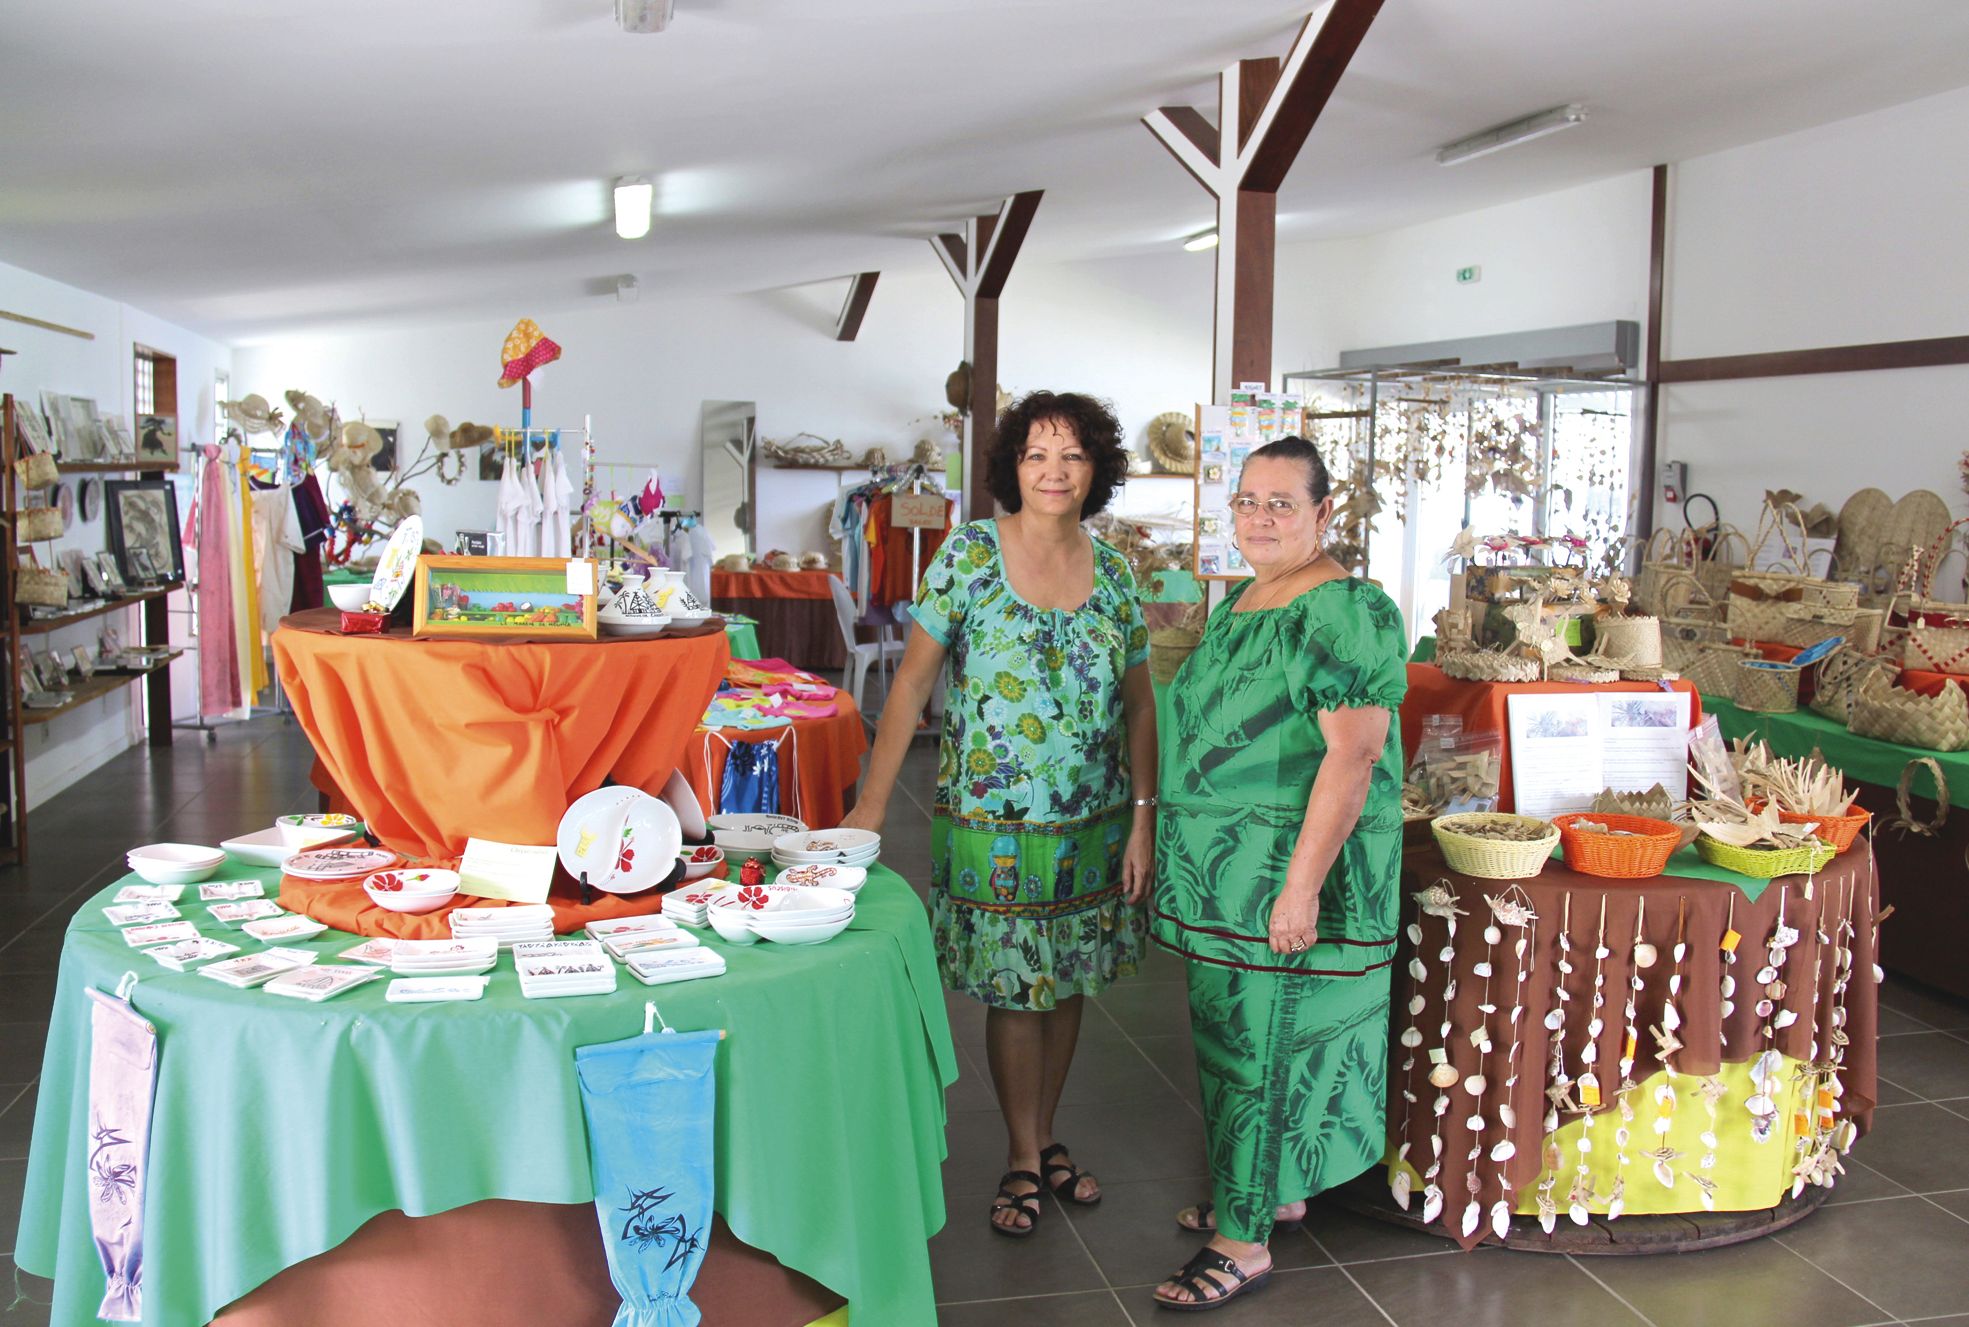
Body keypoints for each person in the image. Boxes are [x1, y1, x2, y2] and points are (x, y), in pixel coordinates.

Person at [841, 390, 1156, 1238]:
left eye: (1073, 456)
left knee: (1067, 981)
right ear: (1011, 467)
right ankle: (1022, 1153)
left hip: (1090, 819)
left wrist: (1141, 816)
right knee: (1017, 987)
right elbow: (909, 683)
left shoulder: (1116, 568)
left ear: (1097, 470)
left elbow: (1138, 706)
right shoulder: (970, 555)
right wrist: (870, 808)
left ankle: (1047, 1133)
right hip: (992, 820)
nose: (1054, 472)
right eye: (1036, 456)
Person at [1149, 437, 1407, 1311]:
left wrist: (1300, 887)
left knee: (1270, 1045)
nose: (1259, 518)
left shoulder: (1344, 610)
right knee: (1235, 1040)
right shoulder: (1249, 598)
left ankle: (1243, 1237)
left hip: (1286, 874)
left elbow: (1354, 753)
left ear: (1323, 513)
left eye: (1281, 503)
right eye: (1247, 502)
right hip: (1226, 876)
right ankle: (1264, 1188)